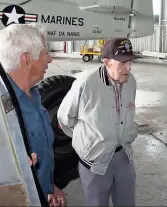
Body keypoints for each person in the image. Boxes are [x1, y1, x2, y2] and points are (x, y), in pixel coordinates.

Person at [57, 38, 139, 207]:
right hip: (95, 163)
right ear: (107, 62)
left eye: (130, 61)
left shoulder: (131, 82)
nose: (129, 68)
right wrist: (89, 140)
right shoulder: (86, 83)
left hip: (124, 157)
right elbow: (65, 119)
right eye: (123, 62)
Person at [0, 23, 66, 207]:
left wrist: (49, 186)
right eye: (45, 54)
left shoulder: (34, 96)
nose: (49, 59)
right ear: (27, 59)